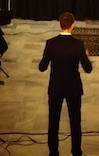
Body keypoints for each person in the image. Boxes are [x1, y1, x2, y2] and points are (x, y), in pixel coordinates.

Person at [38, 12, 93, 156]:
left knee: (53, 121)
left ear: (59, 24)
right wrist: (85, 55)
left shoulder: (50, 43)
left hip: (55, 87)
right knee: (75, 121)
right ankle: (76, 152)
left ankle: (53, 152)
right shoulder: (78, 45)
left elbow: (42, 67)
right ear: (73, 26)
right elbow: (88, 69)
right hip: (73, 88)